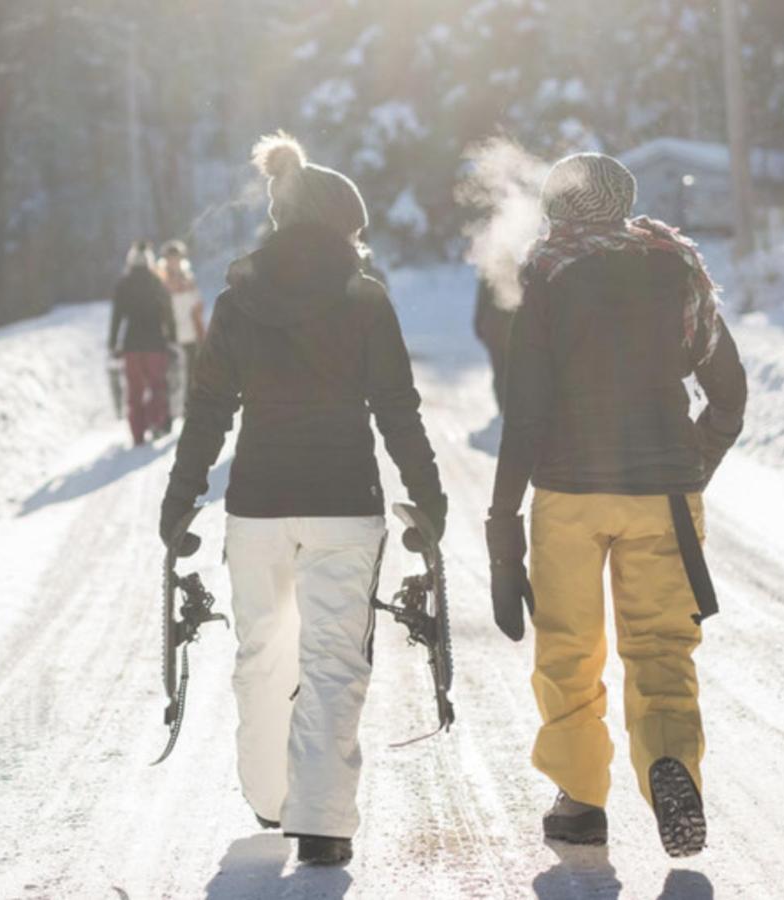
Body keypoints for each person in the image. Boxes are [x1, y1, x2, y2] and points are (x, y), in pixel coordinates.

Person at [159, 132, 446, 867]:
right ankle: (321, 822)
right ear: (342, 227)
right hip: (346, 502)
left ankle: (269, 795)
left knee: (261, 653)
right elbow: (397, 407)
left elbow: (210, 408)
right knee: (332, 659)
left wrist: (181, 497)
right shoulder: (366, 300)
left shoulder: (236, 300)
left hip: (257, 504)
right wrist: (428, 495)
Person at [484, 153, 747, 857]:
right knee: (662, 646)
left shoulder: (548, 273)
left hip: (570, 493)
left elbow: (527, 412)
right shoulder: (679, 268)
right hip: (664, 492)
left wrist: (501, 520)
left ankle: (579, 801)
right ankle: (670, 761)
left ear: (559, 208)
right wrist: (696, 464)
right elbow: (729, 393)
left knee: (570, 647)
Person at [109, 241, 175, 446]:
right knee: (157, 386)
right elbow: (168, 313)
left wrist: (113, 343)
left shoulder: (123, 284)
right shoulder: (157, 282)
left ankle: (137, 433)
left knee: (134, 390)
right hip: (156, 343)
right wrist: (172, 338)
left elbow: (117, 316)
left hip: (132, 345)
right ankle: (156, 422)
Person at [159, 240, 207, 420]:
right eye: (171, 258)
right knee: (171, 377)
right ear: (165, 260)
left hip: (191, 335)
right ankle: (169, 414)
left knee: (192, 375)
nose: (174, 261)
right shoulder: (161, 282)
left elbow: (198, 304)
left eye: (177, 258)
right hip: (171, 336)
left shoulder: (189, 279)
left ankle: (189, 411)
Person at [473, 277, 514, 413]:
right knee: (510, 369)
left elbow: (482, 299)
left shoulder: (490, 266)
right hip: (510, 327)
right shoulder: (520, 264)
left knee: (499, 369)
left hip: (494, 327)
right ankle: (508, 405)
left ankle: (503, 405)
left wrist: (478, 323)